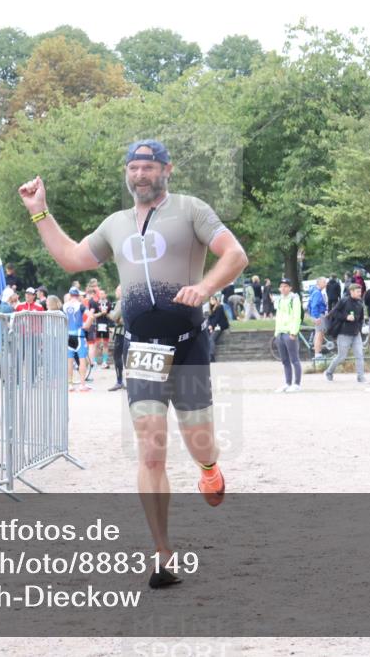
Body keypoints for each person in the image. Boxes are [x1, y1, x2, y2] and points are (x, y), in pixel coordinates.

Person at [18, 139, 248, 588]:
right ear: (126, 173)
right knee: (151, 448)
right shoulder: (115, 224)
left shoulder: (191, 209)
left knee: (199, 439)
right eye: (133, 168)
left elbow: (235, 255)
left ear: (167, 169)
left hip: (188, 344)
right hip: (141, 346)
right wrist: (39, 212)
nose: (140, 175)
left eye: (148, 167)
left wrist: (205, 288)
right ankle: (163, 554)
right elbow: (70, 258)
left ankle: (209, 468)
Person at [324, 282, 366, 383]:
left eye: (360, 291)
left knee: (359, 355)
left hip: (356, 333)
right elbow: (334, 313)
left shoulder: (360, 303)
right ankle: (329, 372)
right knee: (341, 356)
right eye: (357, 291)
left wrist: (359, 328)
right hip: (344, 333)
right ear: (351, 292)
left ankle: (361, 377)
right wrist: (346, 316)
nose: (360, 293)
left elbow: (361, 318)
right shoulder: (344, 301)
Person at [273, 278, 303, 392]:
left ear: (290, 288)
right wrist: (276, 333)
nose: (283, 288)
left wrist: (294, 332)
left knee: (294, 359)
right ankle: (287, 382)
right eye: (281, 286)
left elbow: (297, 316)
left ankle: (297, 384)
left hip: (289, 332)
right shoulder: (279, 300)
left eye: (286, 286)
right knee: (284, 360)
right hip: (280, 332)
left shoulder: (294, 299)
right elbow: (278, 317)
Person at [62, 288, 92, 392]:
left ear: (70, 295)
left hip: (68, 335)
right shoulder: (81, 305)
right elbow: (91, 316)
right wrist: (86, 325)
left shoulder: (64, 305)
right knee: (82, 359)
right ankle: (82, 384)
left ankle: (70, 385)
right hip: (79, 335)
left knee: (69, 361)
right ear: (78, 295)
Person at [108, 286, 126, 391]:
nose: (115, 292)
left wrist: (107, 312)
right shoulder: (130, 300)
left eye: (117, 290)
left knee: (117, 356)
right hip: (129, 333)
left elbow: (114, 317)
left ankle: (119, 382)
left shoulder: (121, 302)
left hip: (121, 333)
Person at [306, 278, 328, 359]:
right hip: (319, 315)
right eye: (324, 282)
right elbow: (314, 306)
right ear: (319, 283)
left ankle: (317, 353)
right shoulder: (317, 293)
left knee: (318, 334)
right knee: (319, 334)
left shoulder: (315, 292)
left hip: (318, 315)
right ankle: (317, 354)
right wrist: (316, 317)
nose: (326, 283)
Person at [206, 295, 230, 363]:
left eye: (213, 299)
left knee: (211, 339)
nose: (212, 301)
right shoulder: (211, 308)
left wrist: (212, 327)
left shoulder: (219, 307)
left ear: (216, 300)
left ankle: (211, 356)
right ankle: (208, 356)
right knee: (206, 338)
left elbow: (217, 318)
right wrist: (210, 326)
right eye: (211, 300)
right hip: (213, 326)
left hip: (220, 326)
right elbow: (209, 319)